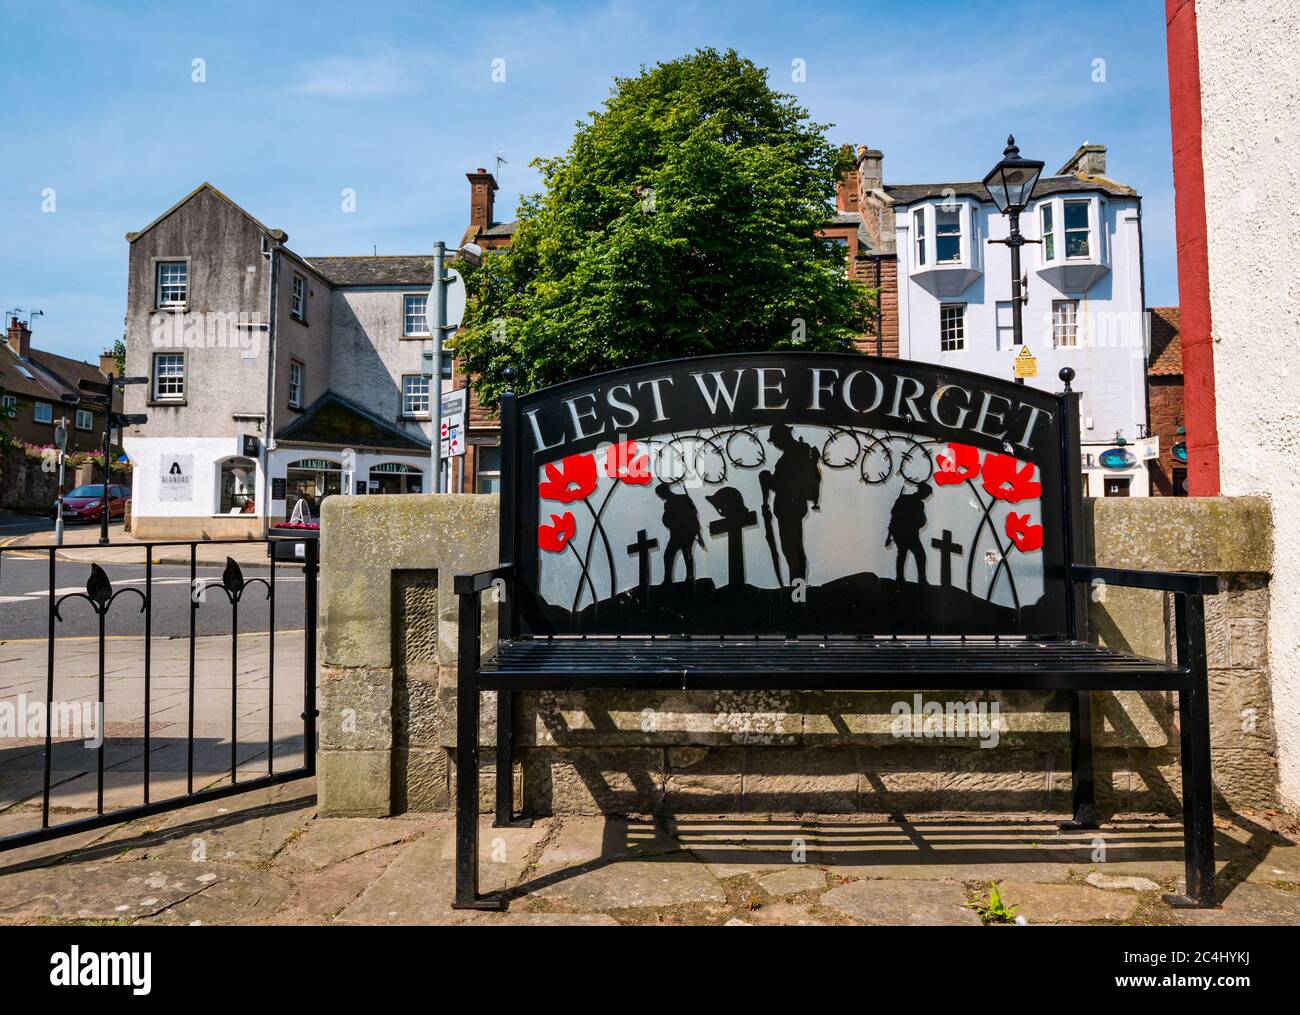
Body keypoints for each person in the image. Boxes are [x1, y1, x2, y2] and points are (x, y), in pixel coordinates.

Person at [759, 423, 821, 584]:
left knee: (792, 551)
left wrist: (768, 480)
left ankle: (797, 592)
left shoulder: (796, 453)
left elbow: (788, 485)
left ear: (783, 437)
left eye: (776, 441)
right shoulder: (795, 453)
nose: (776, 445)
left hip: (790, 508)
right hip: (788, 508)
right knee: (791, 551)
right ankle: (797, 590)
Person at [655, 481, 704, 584]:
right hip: (676, 533)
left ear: (665, 492)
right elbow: (667, 517)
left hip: (687, 532)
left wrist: (697, 532)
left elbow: (693, 513)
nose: (661, 497)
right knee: (668, 555)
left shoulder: (683, 498)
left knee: (687, 553)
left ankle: (689, 576)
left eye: (660, 494)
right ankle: (668, 579)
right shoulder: (667, 504)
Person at [887, 481, 932, 584]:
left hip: (907, 533)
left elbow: (921, 520)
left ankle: (906, 578)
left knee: (907, 554)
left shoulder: (915, 502)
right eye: (926, 494)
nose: (926, 497)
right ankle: (905, 578)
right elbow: (894, 513)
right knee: (915, 554)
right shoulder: (906, 499)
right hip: (904, 533)